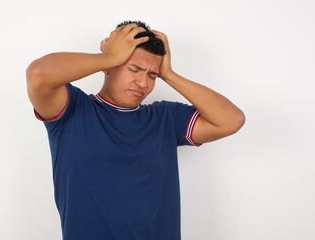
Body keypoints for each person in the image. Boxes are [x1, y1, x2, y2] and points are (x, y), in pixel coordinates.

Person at [26, 20, 245, 240]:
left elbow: (231, 120)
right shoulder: (72, 111)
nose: (143, 83)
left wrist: (168, 74)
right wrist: (109, 57)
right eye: (134, 69)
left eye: (152, 76)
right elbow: (38, 74)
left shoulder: (165, 118)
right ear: (109, 66)